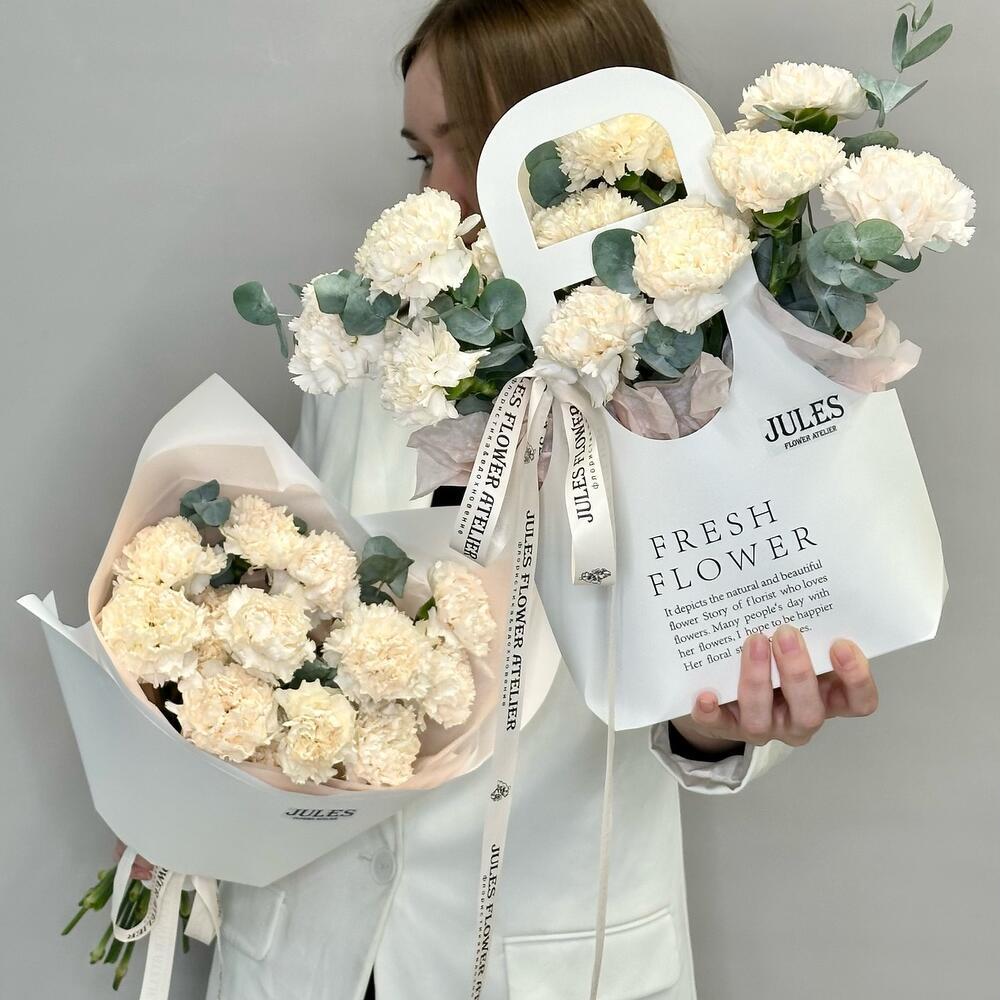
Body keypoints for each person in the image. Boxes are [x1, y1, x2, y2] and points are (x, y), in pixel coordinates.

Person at [198, 2, 881, 997]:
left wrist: (720, 721)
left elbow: (719, 674)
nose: (437, 194)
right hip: (307, 950)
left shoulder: (719, 371)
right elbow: (287, 607)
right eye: (419, 155)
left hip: (549, 957)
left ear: (598, 148)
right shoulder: (367, 350)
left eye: (472, 147)